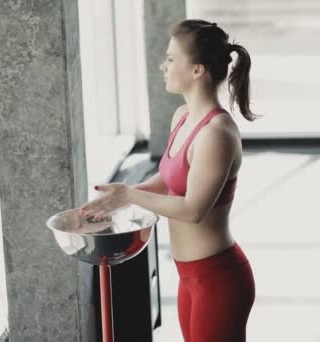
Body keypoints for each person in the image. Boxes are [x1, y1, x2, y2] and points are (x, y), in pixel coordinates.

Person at [80, 19, 257, 342]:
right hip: (190, 276)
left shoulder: (217, 134)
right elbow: (168, 180)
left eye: (172, 59)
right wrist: (116, 200)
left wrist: (129, 195)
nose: (163, 66)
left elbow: (192, 209)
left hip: (218, 279)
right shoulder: (183, 117)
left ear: (197, 70)